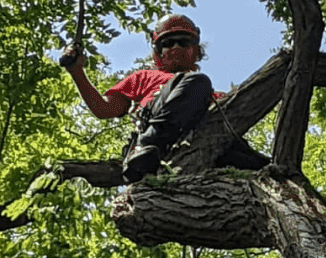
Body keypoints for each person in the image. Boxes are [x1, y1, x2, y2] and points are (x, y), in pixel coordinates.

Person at [62, 14, 217, 183]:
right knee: (197, 81)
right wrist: (77, 72)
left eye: (183, 42)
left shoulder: (207, 92)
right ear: (158, 52)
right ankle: (147, 144)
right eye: (168, 43)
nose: (176, 47)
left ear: (194, 49)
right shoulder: (143, 77)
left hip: (198, 139)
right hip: (153, 132)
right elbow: (104, 109)